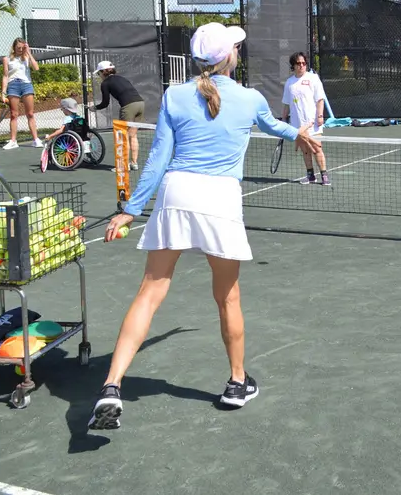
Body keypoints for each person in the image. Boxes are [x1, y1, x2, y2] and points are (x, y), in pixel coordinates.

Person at [87, 23, 321, 431]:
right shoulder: (249, 98)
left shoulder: (175, 95)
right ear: (230, 56)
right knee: (228, 298)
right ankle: (236, 382)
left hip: (176, 193)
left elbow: (159, 158)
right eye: (236, 47)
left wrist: (131, 209)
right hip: (219, 199)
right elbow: (270, 124)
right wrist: (299, 135)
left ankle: (111, 386)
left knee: (149, 294)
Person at [281, 51, 330, 185]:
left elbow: (320, 99)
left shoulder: (313, 78)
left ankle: (324, 175)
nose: (301, 65)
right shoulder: (289, 83)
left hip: (313, 123)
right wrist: (283, 119)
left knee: (317, 148)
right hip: (298, 124)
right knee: (305, 150)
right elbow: (286, 103)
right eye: (298, 63)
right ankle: (310, 175)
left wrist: (320, 116)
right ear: (293, 65)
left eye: (304, 63)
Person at [91, 61, 146, 170]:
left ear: (103, 72)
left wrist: (94, 108)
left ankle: (123, 166)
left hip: (129, 107)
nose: (99, 75)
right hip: (140, 104)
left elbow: (105, 103)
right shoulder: (122, 78)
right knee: (133, 135)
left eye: (99, 73)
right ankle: (134, 163)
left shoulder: (105, 83)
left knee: (123, 136)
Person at [1, 38, 42, 149]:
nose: (20, 49)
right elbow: (5, 76)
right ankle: (13, 141)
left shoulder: (27, 57)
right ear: (14, 47)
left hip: (26, 85)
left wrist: (28, 52)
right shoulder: (7, 59)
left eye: (22, 47)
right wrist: (3, 93)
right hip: (13, 85)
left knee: (30, 114)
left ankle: (36, 139)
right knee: (14, 114)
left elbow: (36, 68)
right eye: (18, 47)